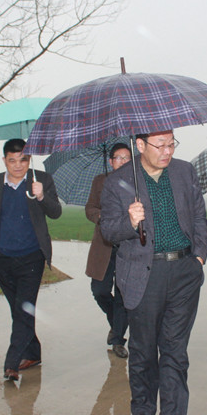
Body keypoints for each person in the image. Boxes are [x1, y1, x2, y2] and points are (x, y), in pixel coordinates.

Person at [100, 130, 207, 415]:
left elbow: (199, 216)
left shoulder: (185, 171)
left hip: (184, 271)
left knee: (175, 350)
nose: (167, 151)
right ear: (140, 145)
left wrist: (199, 256)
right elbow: (108, 231)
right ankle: (141, 411)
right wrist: (130, 223)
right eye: (160, 145)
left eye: (172, 144)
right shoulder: (118, 181)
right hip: (143, 275)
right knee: (144, 350)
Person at [0, 138, 61, 382]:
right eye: (12, 160)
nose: (18, 165)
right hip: (2, 258)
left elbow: (56, 212)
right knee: (19, 311)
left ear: (29, 160)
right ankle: (33, 353)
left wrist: (41, 196)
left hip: (31, 257)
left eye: (23, 160)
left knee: (23, 310)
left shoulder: (41, 180)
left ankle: (11, 364)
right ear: (4, 160)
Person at [85, 142, 132, 359]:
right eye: (118, 158)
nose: (122, 162)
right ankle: (116, 324)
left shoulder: (138, 183)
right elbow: (90, 208)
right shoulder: (100, 181)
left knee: (123, 295)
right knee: (100, 290)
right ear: (111, 161)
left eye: (127, 158)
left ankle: (118, 341)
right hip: (104, 246)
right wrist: (101, 216)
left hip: (128, 246)